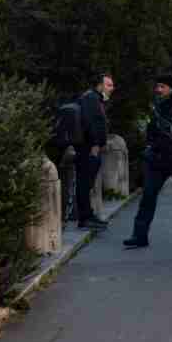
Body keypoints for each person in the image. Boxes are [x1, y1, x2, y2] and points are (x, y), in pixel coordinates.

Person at [124, 75, 172, 249]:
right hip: (158, 160)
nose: (158, 90)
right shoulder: (155, 109)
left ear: (171, 89)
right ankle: (139, 235)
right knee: (148, 196)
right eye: (157, 86)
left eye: (162, 86)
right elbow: (150, 132)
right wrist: (151, 147)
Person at [75, 73, 112, 230]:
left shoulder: (95, 98)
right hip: (88, 148)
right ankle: (84, 218)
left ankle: (88, 215)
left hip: (91, 147)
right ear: (99, 85)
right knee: (84, 183)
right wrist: (95, 145)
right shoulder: (90, 98)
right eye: (109, 85)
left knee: (87, 183)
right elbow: (90, 123)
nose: (112, 88)